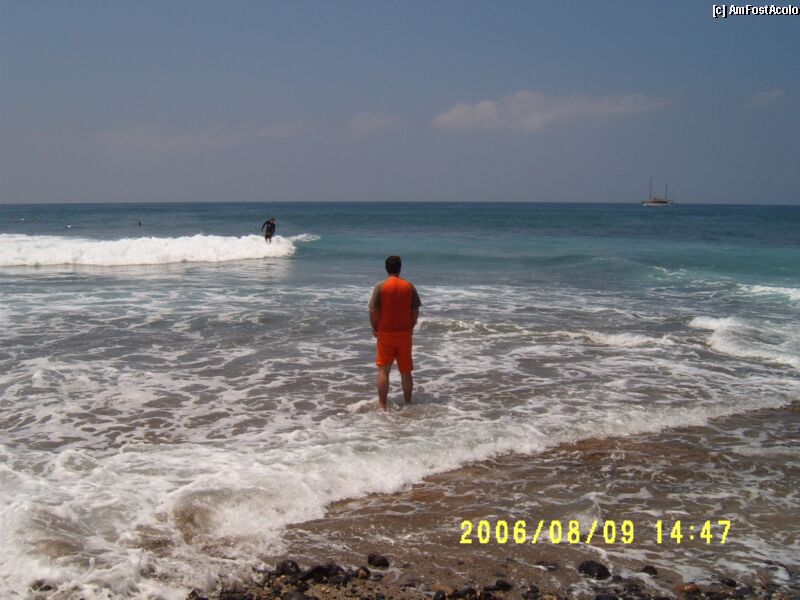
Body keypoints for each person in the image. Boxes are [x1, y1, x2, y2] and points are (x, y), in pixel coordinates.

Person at [368, 255, 422, 410]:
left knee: (384, 370)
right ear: (400, 268)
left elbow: (373, 310)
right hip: (404, 334)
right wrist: (411, 326)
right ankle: (408, 403)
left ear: (386, 268)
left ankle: (382, 405)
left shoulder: (381, 286)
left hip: (385, 334)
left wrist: (375, 327)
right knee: (406, 371)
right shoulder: (409, 286)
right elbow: (415, 310)